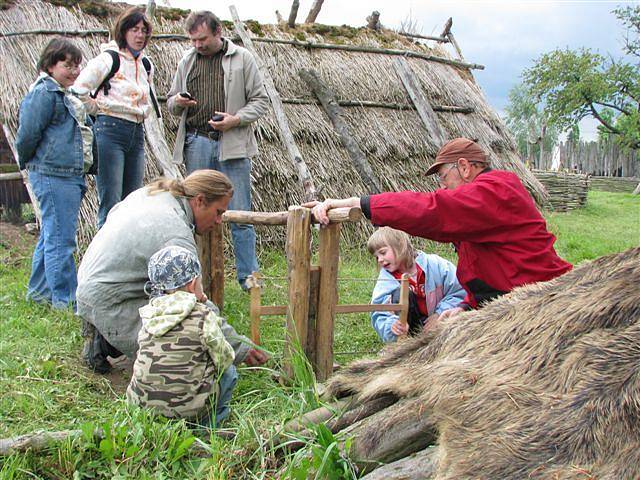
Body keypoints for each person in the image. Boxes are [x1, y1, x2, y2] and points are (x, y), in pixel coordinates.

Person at [309, 138, 572, 316]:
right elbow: (486, 264)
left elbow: (433, 209)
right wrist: (467, 306)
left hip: (536, 300)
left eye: (445, 177)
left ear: (465, 167)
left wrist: (360, 203)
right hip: (510, 299)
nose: (443, 186)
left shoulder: (495, 191)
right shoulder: (481, 204)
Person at [76, 169, 268, 374]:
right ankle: (106, 338)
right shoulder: (175, 235)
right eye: (218, 212)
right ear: (200, 201)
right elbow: (194, 305)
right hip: (110, 298)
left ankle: (103, 335)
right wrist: (239, 347)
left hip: (91, 284)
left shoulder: (153, 195)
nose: (220, 221)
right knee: (188, 337)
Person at [166, 10, 269, 291]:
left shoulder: (242, 58)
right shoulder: (187, 60)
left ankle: (250, 280)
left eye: (203, 38)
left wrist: (235, 120)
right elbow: (170, 103)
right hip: (196, 143)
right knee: (194, 214)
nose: (198, 44)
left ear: (218, 31)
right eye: (193, 40)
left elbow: (260, 102)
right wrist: (178, 102)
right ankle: (193, 279)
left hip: (232, 146)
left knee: (240, 215)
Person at [15, 38, 95, 309]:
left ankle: (38, 294)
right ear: (50, 65)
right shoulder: (44, 94)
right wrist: (30, 163)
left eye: (77, 66)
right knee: (62, 240)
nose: (73, 71)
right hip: (52, 173)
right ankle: (66, 301)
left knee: (52, 235)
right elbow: (27, 135)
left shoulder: (65, 95)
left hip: (66, 173)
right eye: (67, 65)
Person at [126, 246, 237, 428]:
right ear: (193, 284)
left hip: (143, 408)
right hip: (190, 410)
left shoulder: (148, 316)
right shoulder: (202, 316)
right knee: (229, 372)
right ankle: (212, 421)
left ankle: (156, 416)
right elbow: (225, 358)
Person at [73, 7, 156, 228]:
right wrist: (96, 108)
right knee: (110, 202)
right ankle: (105, 259)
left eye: (143, 31)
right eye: (134, 30)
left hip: (137, 131)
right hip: (110, 129)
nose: (139, 35)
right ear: (123, 31)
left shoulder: (146, 64)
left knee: (132, 201)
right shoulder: (108, 59)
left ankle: (127, 256)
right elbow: (78, 89)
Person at [368, 227, 466, 342]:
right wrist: (392, 326)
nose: (379, 259)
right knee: (400, 294)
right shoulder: (386, 280)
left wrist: (439, 314)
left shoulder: (436, 265)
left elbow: (460, 291)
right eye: (376, 256)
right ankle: (408, 343)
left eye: (383, 253)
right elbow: (379, 312)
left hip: (440, 326)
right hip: (409, 332)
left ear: (400, 245)